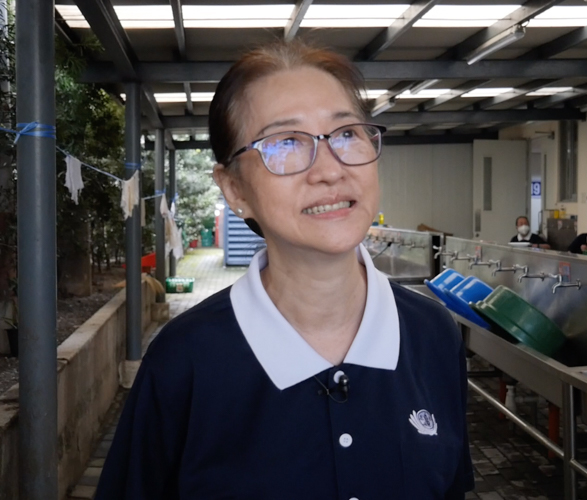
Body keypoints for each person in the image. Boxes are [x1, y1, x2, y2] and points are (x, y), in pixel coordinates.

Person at [96, 41, 473, 499]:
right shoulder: (184, 360)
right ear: (234, 188)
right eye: (286, 143)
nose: (330, 170)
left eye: (346, 134)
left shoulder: (432, 333)